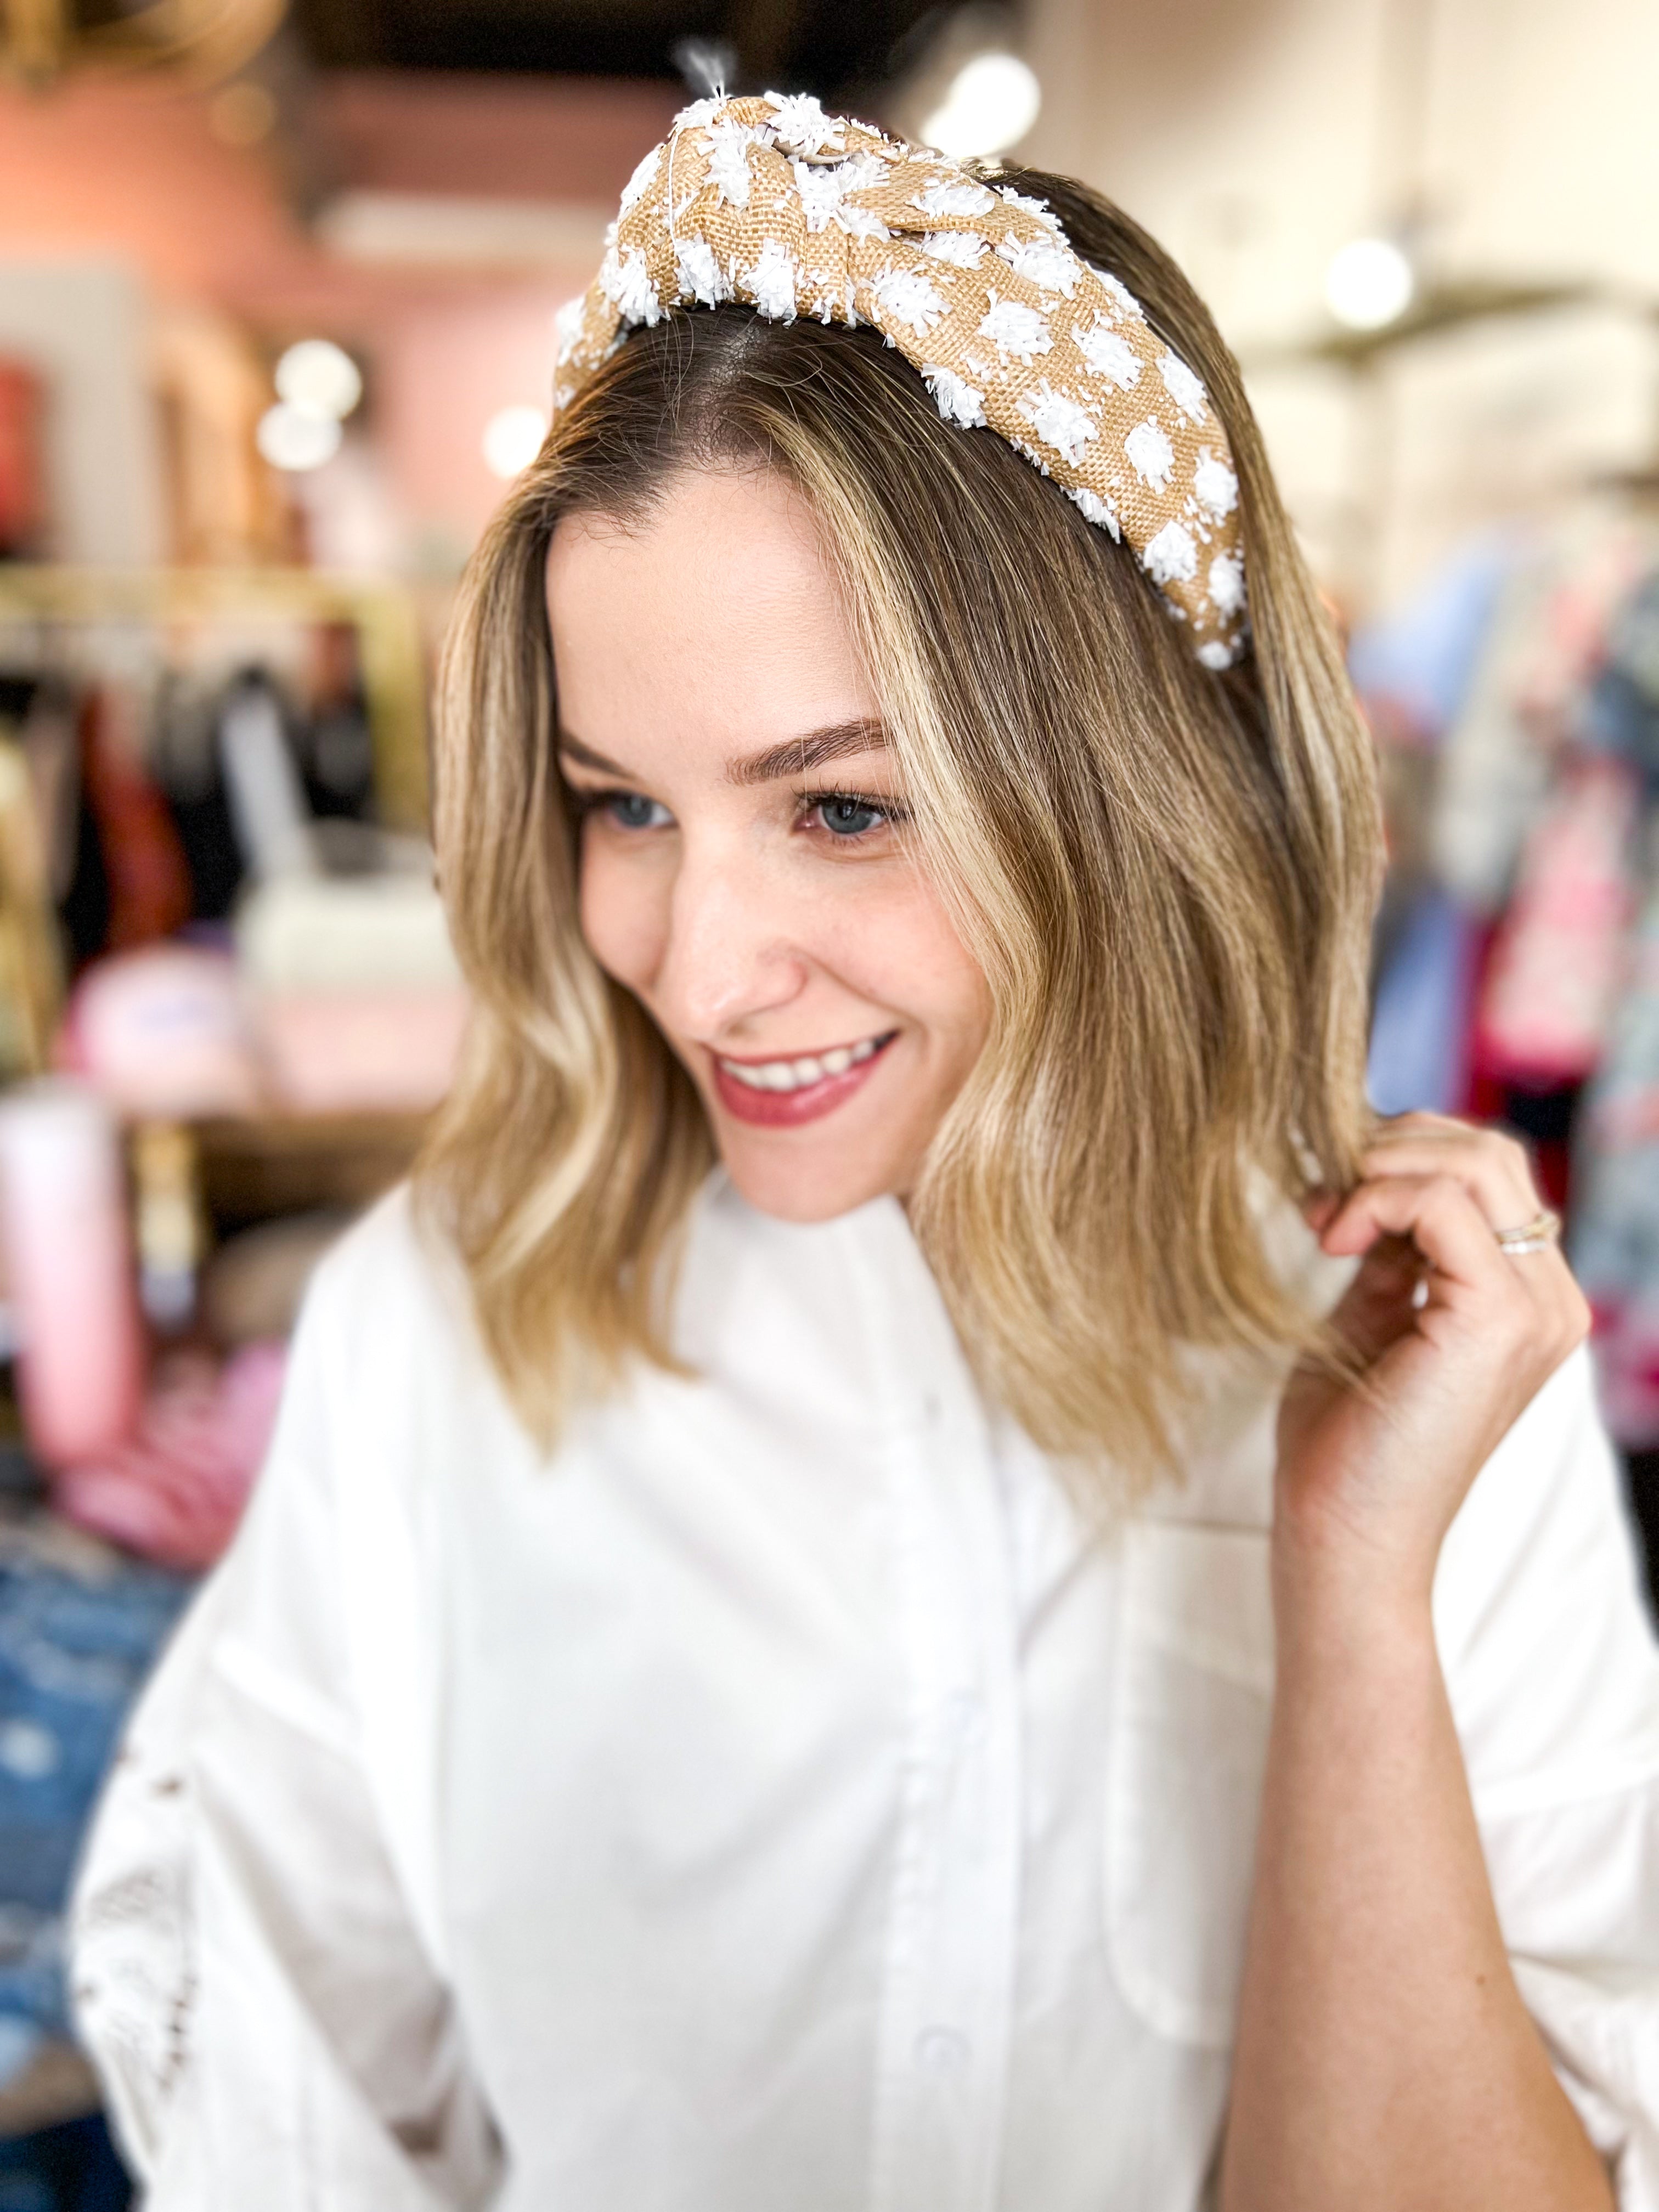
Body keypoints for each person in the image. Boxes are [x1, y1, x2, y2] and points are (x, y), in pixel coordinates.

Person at [70, 95, 1659, 2212]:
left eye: (839, 808)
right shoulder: (445, 1336)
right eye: (621, 803)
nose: (701, 971)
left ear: (1116, 798)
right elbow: (279, 2100)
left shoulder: (1423, 1378)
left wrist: (1352, 1597)